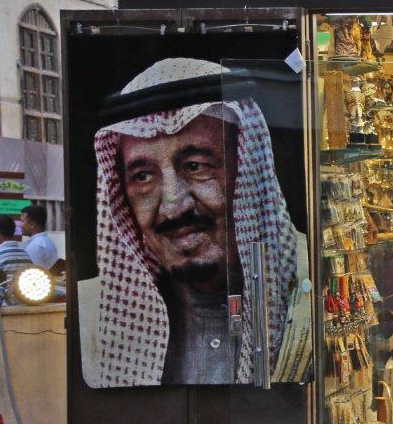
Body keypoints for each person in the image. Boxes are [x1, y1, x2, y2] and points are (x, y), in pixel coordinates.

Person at [77, 58, 310, 388]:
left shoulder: (315, 291)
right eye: (143, 176)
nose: (173, 206)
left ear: (247, 172)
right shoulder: (88, 316)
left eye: (197, 166)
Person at [20, 205, 57, 269]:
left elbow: (31, 271)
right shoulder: (45, 241)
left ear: (32, 224)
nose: (21, 225)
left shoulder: (36, 245)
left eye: (22, 221)